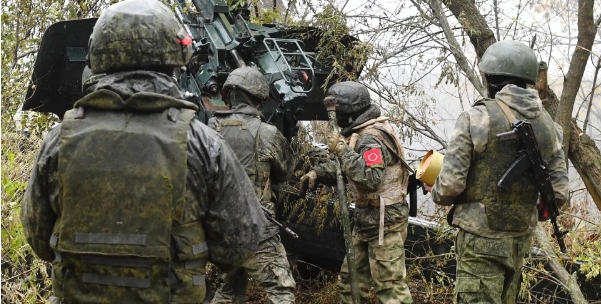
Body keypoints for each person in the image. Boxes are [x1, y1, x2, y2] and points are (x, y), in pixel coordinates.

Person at [20, 0, 266, 304]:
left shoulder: (59, 142)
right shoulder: (204, 144)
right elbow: (240, 246)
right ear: (176, 57)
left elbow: (39, 240)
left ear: (97, 58)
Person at [425, 40, 569, 304]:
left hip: (480, 241)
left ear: (491, 78)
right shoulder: (550, 126)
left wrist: (436, 190)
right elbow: (559, 193)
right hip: (519, 240)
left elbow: (450, 187)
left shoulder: (476, 118)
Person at [299, 81, 413, 304]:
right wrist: (317, 173)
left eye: (338, 113)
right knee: (351, 281)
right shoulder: (360, 133)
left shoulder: (371, 138)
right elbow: (348, 167)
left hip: (384, 220)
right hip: (366, 219)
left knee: (390, 288)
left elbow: (371, 178)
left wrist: (341, 150)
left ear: (348, 113)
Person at [208, 67, 297, 304]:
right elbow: (286, 172)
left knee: (228, 289)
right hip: (259, 229)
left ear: (230, 94)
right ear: (258, 96)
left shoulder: (210, 128)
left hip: (223, 228)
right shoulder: (267, 132)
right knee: (281, 291)